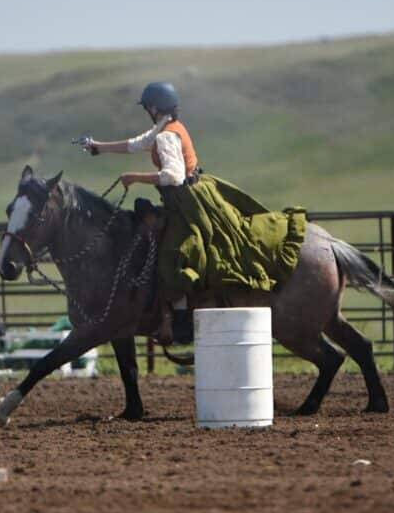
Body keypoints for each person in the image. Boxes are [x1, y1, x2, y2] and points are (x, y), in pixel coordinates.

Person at [82, 82, 306, 343]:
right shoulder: (166, 128)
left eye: (147, 107)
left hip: (187, 201)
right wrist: (99, 147)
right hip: (191, 193)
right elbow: (136, 144)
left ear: (154, 108)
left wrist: (135, 177)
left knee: (172, 255)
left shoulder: (166, 135)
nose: (146, 111)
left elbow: (173, 176)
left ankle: (181, 320)